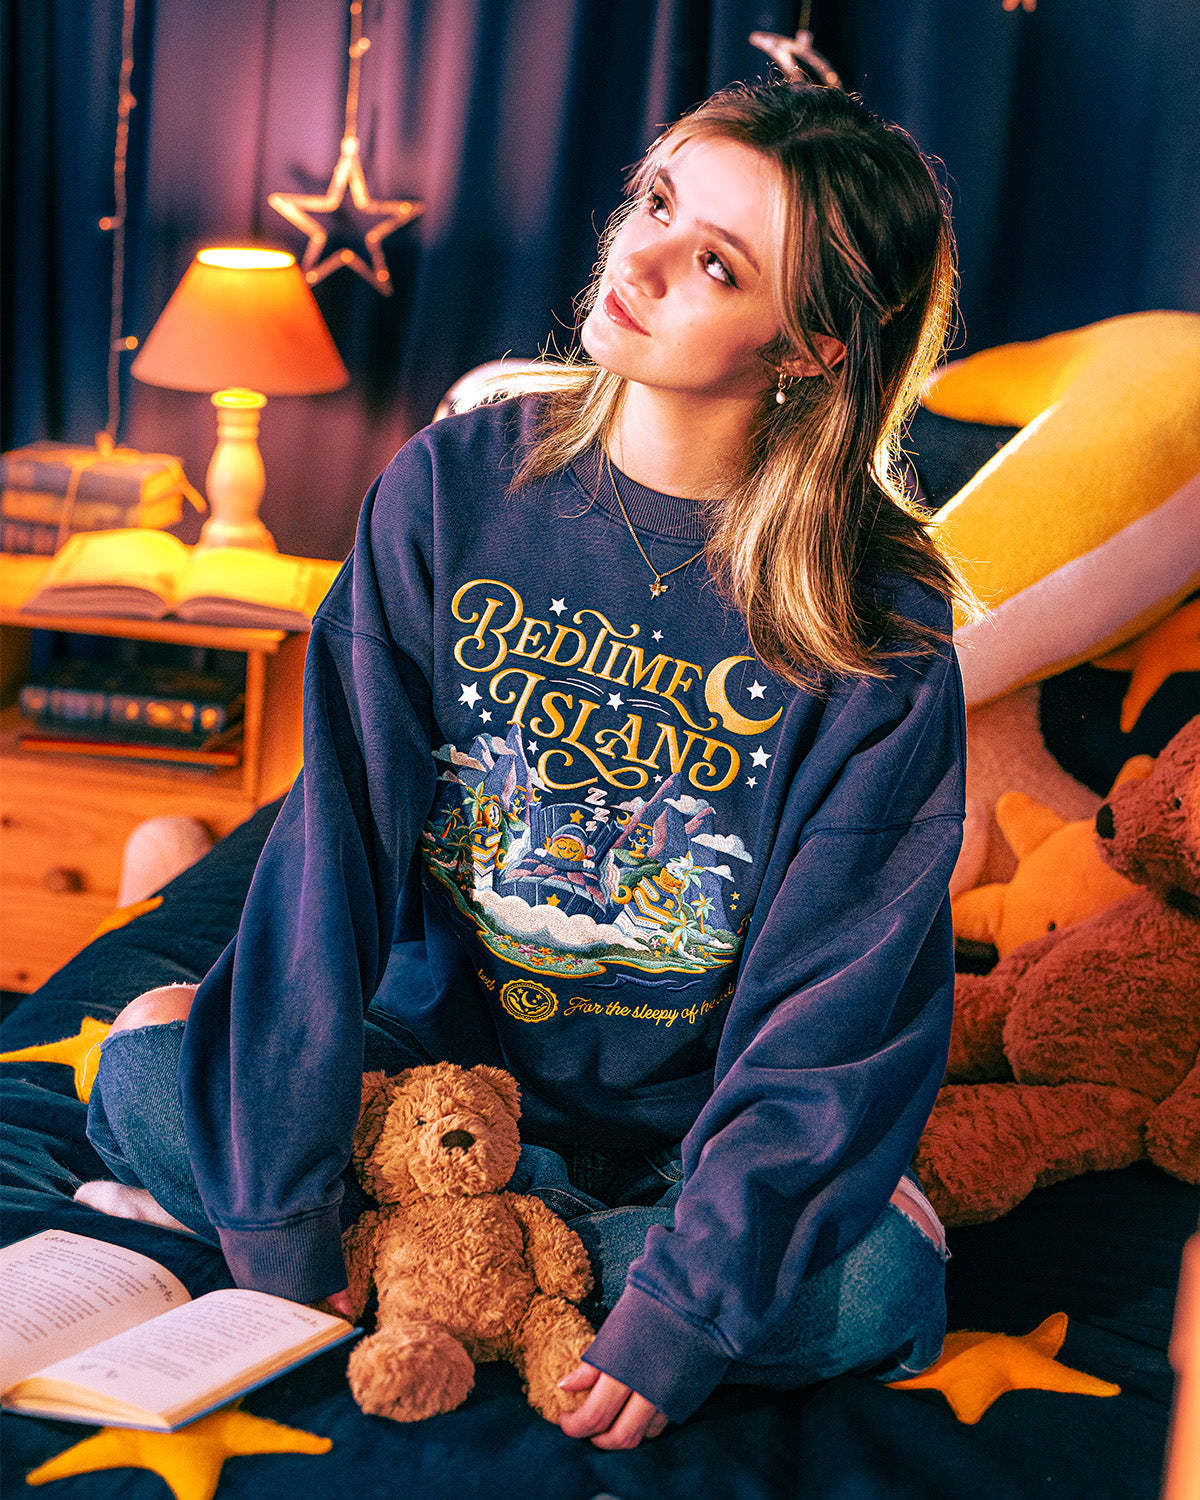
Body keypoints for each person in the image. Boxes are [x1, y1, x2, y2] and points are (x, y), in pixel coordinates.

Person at [83, 79, 971, 1451]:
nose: (642, 259)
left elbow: (836, 1002)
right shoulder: (452, 485)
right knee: (145, 1062)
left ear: (808, 346)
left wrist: (689, 1308)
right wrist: (278, 1203)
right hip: (437, 1086)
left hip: (694, 1128)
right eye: (657, 203)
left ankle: (453, 1260)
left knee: (879, 1276)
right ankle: (521, 1260)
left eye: (717, 264)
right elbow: (334, 851)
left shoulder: (879, 620)